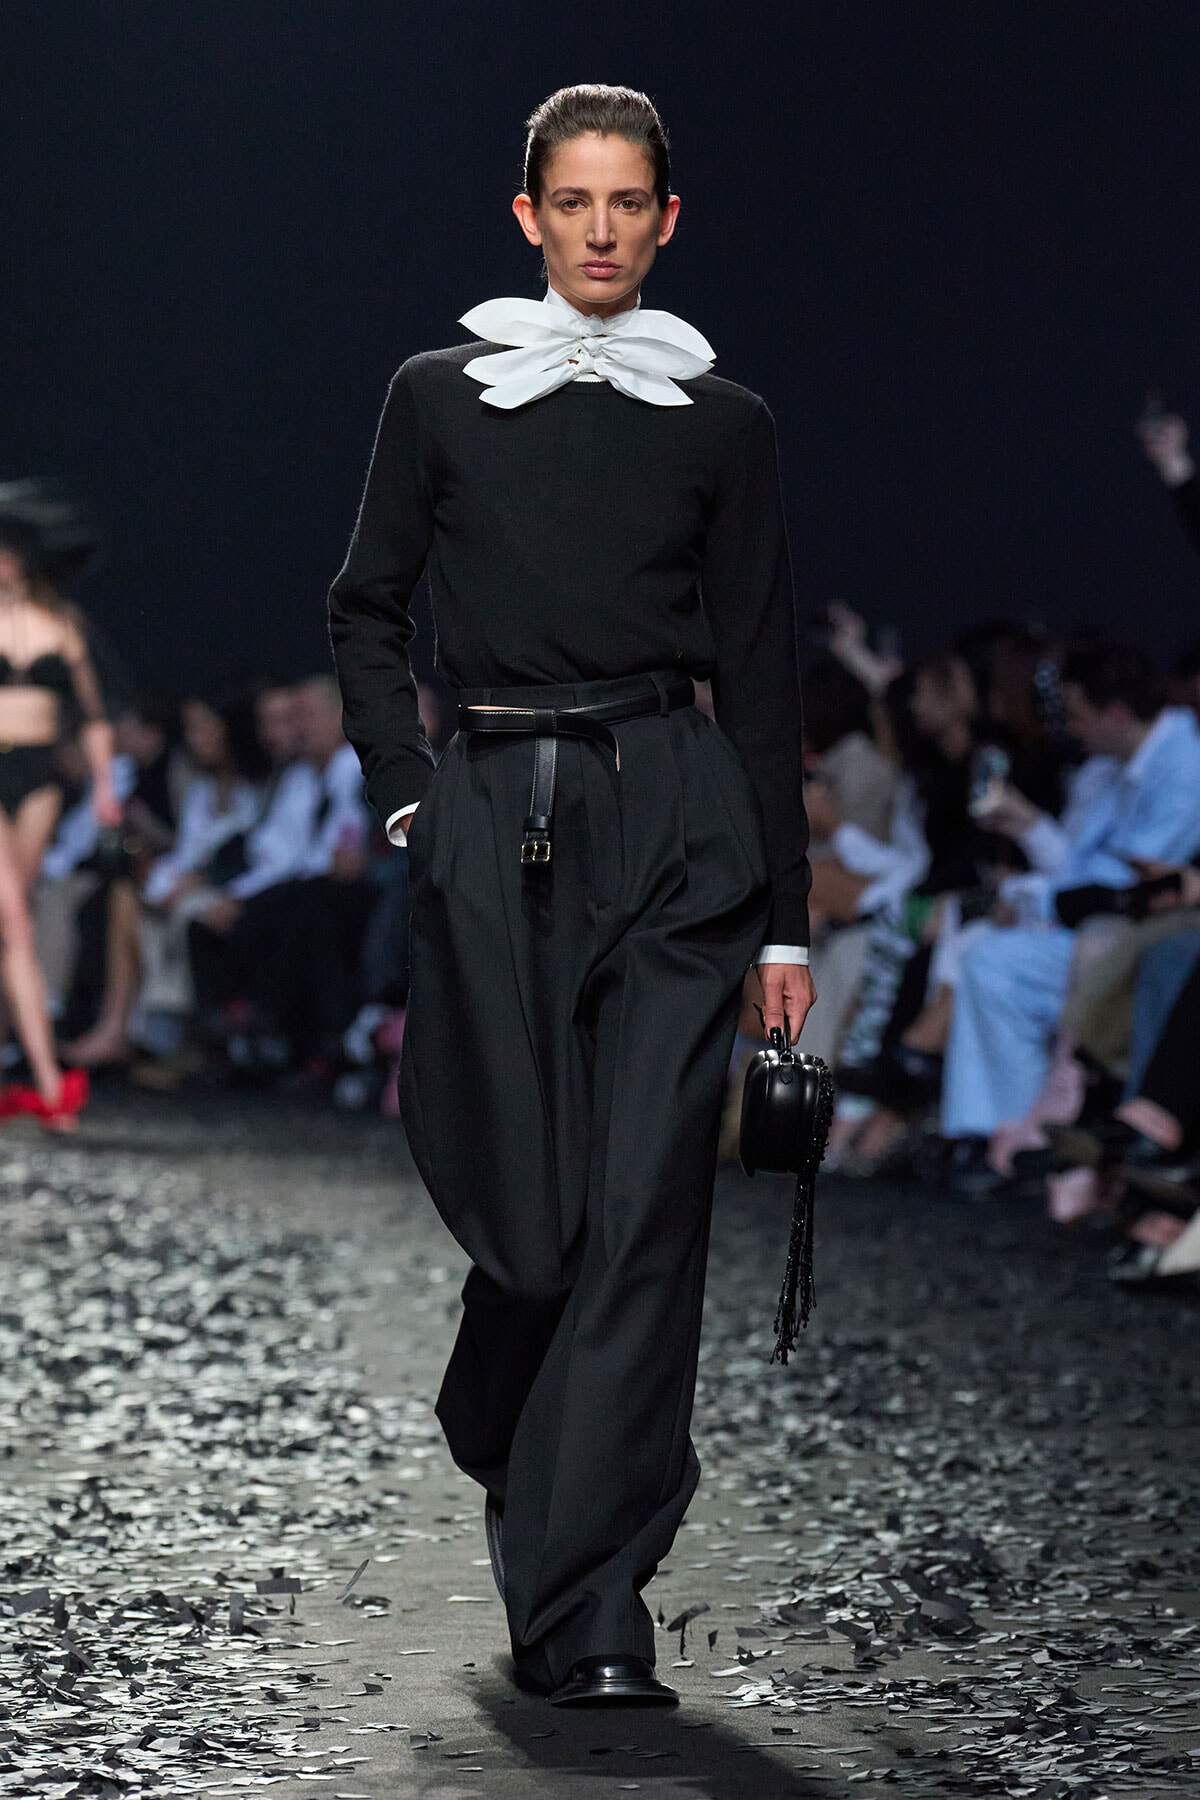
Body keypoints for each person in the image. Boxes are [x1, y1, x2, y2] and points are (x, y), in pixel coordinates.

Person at [329, 85, 813, 1707]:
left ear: (668, 221)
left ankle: (594, 1601)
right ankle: (497, 1411)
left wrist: (787, 918)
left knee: (646, 1222)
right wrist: (408, 793)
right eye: (575, 201)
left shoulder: (723, 423)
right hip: (494, 810)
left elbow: (759, 672)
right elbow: (366, 605)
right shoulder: (440, 395)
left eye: (632, 202)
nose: (603, 227)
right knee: (534, 1233)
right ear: (528, 215)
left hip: (677, 820)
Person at [941, 642, 1200, 1158]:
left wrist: (1032, 863)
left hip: (1129, 923)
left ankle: (1020, 1130)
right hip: (1096, 920)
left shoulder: (1183, 767)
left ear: (1116, 712)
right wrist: (1025, 833)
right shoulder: (1105, 767)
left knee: (994, 958)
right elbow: (1078, 872)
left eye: (1077, 715)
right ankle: (993, 1130)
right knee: (979, 944)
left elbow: (1121, 885)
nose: (1070, 727)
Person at [0, 487, 119, 1126]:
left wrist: (104, 787)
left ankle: (28, 1066)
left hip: (41, 777)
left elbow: (94, 715)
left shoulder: (64, 623)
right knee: (14, 921)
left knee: (9, 923)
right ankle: (49, 1082)